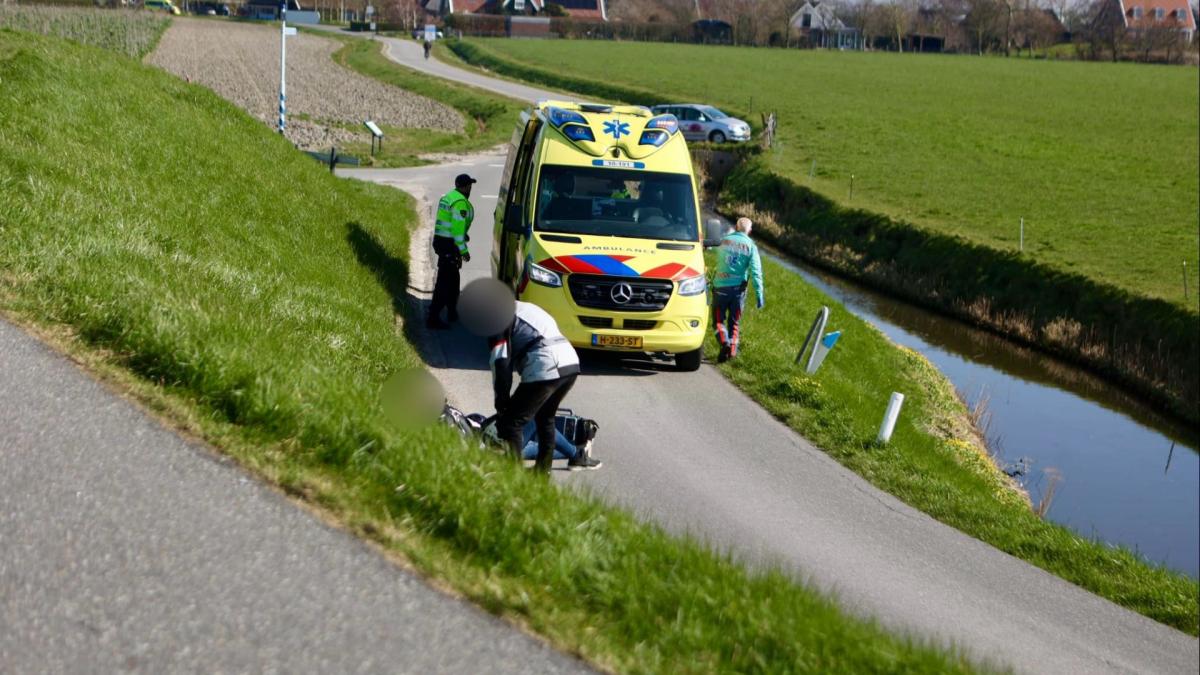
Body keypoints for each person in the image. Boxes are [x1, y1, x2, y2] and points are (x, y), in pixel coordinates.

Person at [489, 301, 582, 473]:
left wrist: (501, 402)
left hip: (547, 365)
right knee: (545, 417)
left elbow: (501, 362)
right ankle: (542, 474)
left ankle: (512, 479)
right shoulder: (525, 307)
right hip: (570, 363)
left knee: (511, 423)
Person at [712, 217, 764, 363]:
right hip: (738, 292)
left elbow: (714, 254)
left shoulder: (725, 240)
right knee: (734, 323)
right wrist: (759, 294)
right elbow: (756, 271)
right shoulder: (751, 247)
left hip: (720, 288)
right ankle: (732, 351)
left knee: (718, 321)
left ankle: (724, 343)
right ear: (750, 231)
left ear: (735, 226)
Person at [427, 173, 475, 329]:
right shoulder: (460, 202)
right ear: (464, 187)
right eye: (469, 185)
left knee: (453, 280)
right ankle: (433, 317)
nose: (470, 188)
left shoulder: (448, 197)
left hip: (441, 241)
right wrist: (463, 251)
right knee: (445, 282)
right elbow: (457, 231)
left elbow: (448, 223)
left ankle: (452, 312)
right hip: (450, 244)